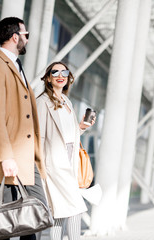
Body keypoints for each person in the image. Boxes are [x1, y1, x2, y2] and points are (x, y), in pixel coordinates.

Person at [0, 17, 47, 240]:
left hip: (24, 155)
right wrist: (6, 157)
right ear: (15, 37)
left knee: (34, 211)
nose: (27, 39)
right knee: (6, 218)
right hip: (9, 156)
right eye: (26, 35)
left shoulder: (14, 64)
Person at [36, 62, 96, 240]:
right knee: (76, 207)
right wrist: (39, 168)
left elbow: (69, 134)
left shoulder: (67, 101)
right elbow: (38, 136)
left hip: (70, 162)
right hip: (53, 165)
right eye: (55, 72)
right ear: (48, 78)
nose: (60, 75)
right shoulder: (42, 102)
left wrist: (82, 127)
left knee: (60, 213)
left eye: (65, 72)